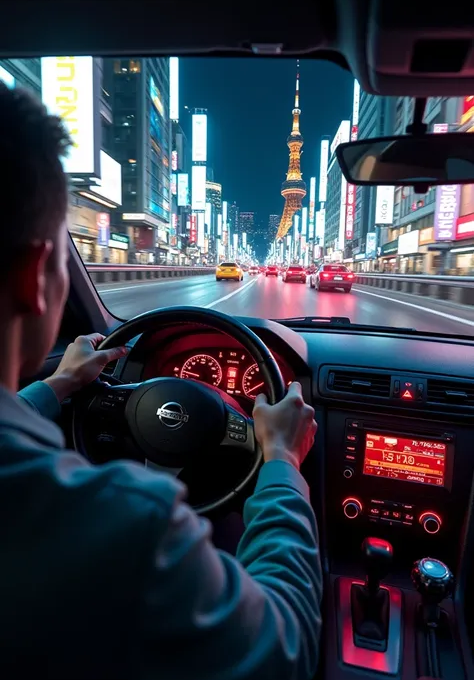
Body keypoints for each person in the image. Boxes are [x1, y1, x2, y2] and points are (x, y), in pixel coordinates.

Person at [0, 81, 322, 679]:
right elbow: (286, 648)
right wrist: (279, 461)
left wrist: (58, 388)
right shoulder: (127, 528)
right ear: (36, 276)